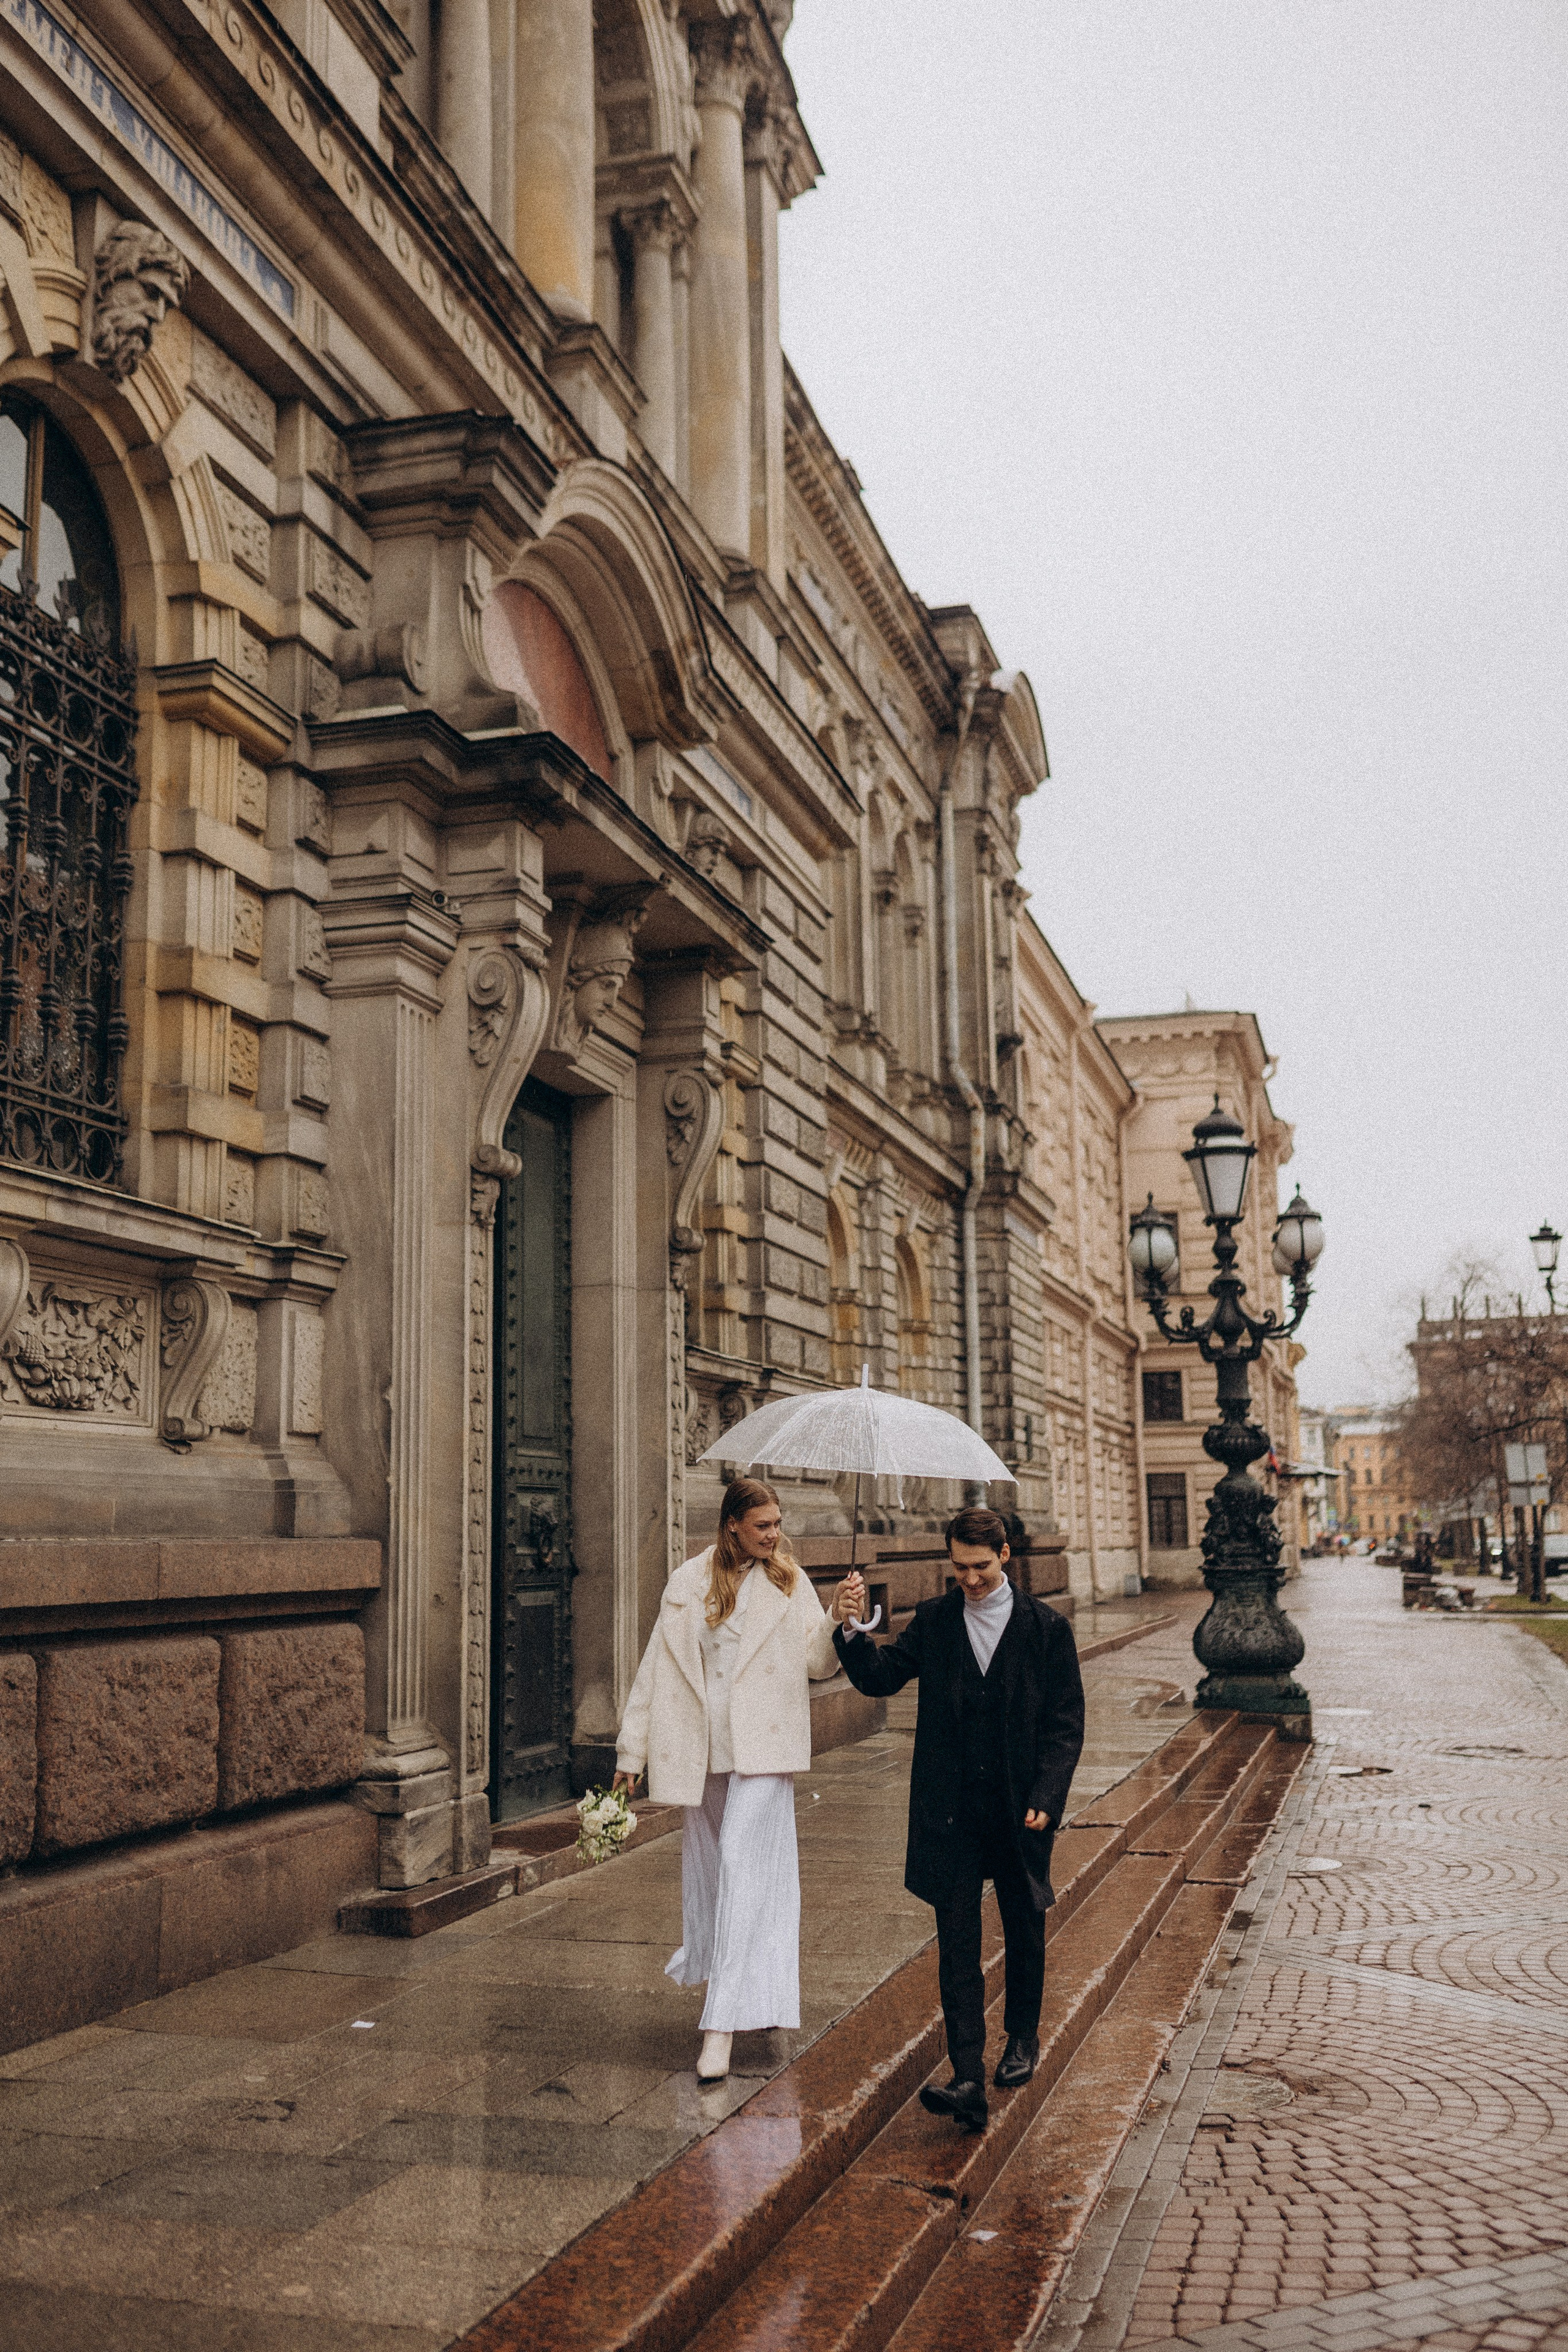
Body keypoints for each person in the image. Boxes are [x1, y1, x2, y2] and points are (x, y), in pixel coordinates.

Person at [832, 1505, 1085, 2134]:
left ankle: (1021, 2036)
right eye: (958, 1567)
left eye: (978, 1566)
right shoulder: (939, 1621)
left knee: (1023, 1922)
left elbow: (1064, 1725)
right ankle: (966, 2072)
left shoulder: (1045, 1628)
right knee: (957, 1941)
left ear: (1003, 1556)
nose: (968, 1579)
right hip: (951, 1810)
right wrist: (850, 1630)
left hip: (1020, 1806)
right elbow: (882, 1678)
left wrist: (1049, 1796)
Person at [613, 1477, 861, 2082]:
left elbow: (815, 1665)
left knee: (740, 1869)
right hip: (702, 1754)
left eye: (777, 1524)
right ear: (732, 1525)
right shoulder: (687, 1582)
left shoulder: (789, 1579)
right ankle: (764, 1994)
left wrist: (836, 1618)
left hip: (766, 1751)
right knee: (720, 1880)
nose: (774, 1534)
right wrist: (630, 1753)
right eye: (763, 1526)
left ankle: (718, 2027)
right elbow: (654, 1669)